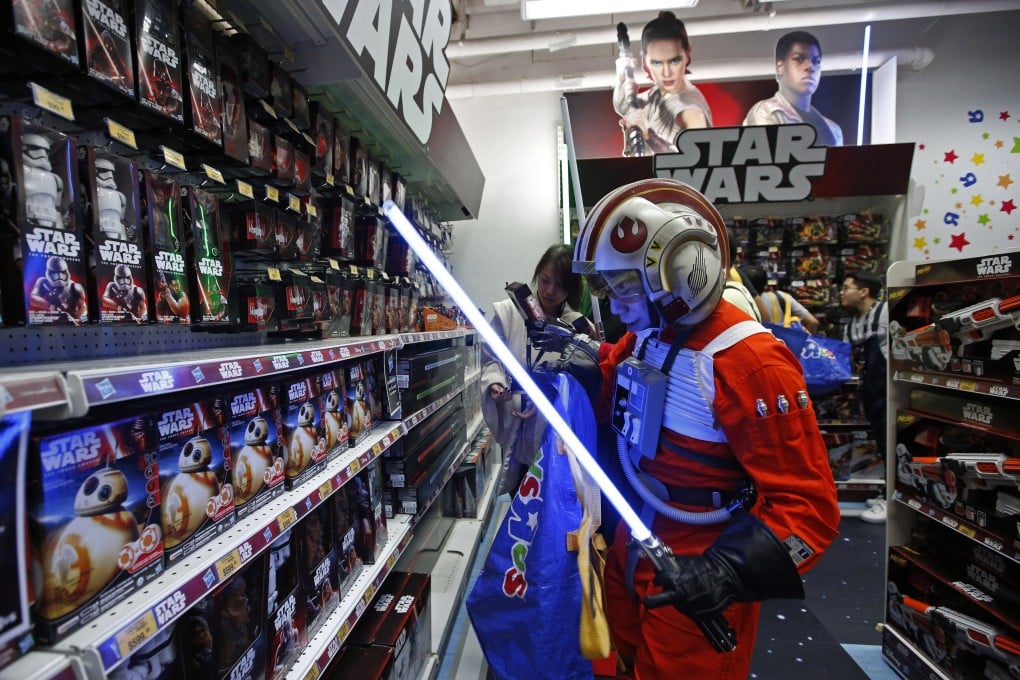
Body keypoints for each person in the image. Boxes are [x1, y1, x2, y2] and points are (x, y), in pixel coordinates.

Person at [530, 179, 839, 678]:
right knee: (619, 660)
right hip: (635, 536)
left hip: (699, 562)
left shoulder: (752, 362)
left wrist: (728, 572)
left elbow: (809, 508)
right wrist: (584, 371)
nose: (612, 304)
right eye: (606, 288)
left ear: (680, 269)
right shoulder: (647, 336)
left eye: (624, 286)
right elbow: (619, 393)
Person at [481, 244, 595, 495]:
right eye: (545, 280)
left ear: (572, 290)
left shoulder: (577, 327)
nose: (549, 291)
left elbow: (582, 384)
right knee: (521, 502)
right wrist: (496, 384)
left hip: (557, 435)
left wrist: (548, 397)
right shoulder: (508, 313)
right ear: (537, 274)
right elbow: (491, 359)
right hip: (516, 426)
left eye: (561, 286)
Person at [613, 11, 712, 156]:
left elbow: (695, 161)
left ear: (687, 54)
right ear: (645, 60)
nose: (666, 73)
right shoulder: (658, 95)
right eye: (657, 62)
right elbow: (623, 107)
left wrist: (650, 135)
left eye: (674, 61)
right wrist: (622, 76)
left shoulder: (690, 110)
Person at [840, 271, 888, 523]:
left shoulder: (886, 313)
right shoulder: (851, 325)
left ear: (863, 291)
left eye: (847, 287)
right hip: (871, 390)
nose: (841, 292)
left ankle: (893, 499)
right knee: (882, 441)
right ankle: (888, 493)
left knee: (891, 443)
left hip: (889, 390)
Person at [742, 31, 843, 147]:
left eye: (816, 61)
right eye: (799, 59)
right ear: (780, 67)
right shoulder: (767, 112)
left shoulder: (833, 130)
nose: (810, 67)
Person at [744, 265, 820, 333]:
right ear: (765, 285)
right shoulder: (782, 296)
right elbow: (813, 322)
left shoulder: (739, 302)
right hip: (782, 345)